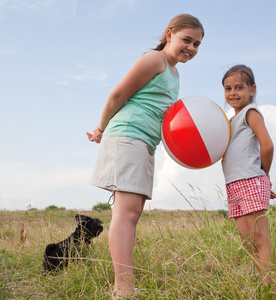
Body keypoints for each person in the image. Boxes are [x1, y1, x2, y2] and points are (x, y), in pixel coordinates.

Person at [87, 14, 204, 298]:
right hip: (127, 135)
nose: (191, 47)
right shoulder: (154, 61)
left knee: (131, 213)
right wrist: (101, 128)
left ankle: (124, 285)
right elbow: (117, 95)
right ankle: (123, 290)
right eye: (186, 40)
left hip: (144, 143)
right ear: (169, 34)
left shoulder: (175, 74)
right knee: (126, 213)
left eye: (197, 44)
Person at [221, 64, 276, 285]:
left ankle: (268, 285)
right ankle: (262, 282)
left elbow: (267, 145)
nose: (233, 93)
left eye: (239, 87)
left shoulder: (250, 113)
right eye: (227, 88)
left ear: (252, 89)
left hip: (251, 181)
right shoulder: (230, 120)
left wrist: (264, 174)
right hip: (233, 184)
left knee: (260, 239)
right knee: (248, 241)